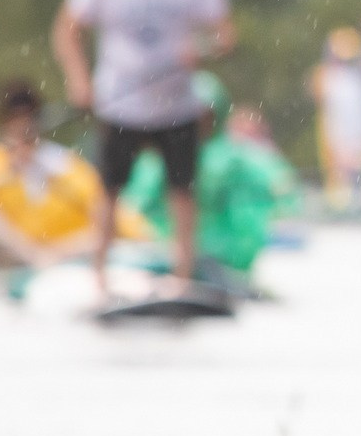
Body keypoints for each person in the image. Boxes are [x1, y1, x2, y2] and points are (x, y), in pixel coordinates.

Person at [48, 0, 236, 292]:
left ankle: (182, 274)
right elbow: (67, 30)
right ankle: (99, 277)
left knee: (182, 191)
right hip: (121, 105)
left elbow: (225, 35)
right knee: (108, 190)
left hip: (177, 106)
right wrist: (79, 82)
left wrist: (201, 50)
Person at [0, 80, 142, 282]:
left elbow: (119, 217)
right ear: (3, 127)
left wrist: (55, 251)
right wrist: (6, 169)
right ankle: (29, 260)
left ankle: (43, 260)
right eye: (15, 127)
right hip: (13, 256)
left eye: (27, 126)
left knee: (104, 223)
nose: (22, 135)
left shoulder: (62, 164)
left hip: (61, 252)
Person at [121, 73, 302, 285]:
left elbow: (281, 184)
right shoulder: (159, 160)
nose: (197, 122)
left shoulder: (236, 157)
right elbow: (133, 207)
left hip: (226, 255)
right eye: (190, 115)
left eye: (205, 114)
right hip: (166, 249)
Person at [309, 23, 361, 213]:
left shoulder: (359, 75)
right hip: (338, 136)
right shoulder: (327, 76)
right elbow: (315, 92)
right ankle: (341, 208)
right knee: (341, 177)